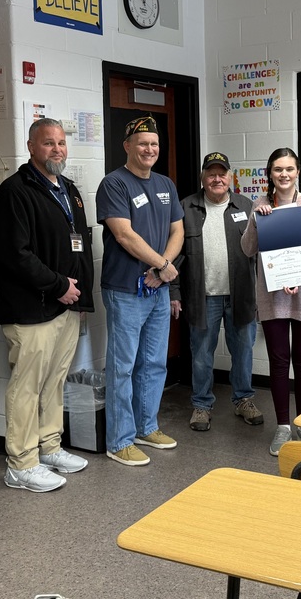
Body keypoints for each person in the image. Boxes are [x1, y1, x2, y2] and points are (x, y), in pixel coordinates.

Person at [0, 118, 94, 492]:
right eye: (48, 143)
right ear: (31, 146)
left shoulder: (70, 190)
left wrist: (82, 298)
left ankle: (49, 447)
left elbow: (80, 243)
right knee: (27, 385)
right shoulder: (14, 192)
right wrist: (59, 285)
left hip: (66, 305)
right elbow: (15, 255)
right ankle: (20, 463)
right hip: (31, 308)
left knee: (54, 382)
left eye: (62, 143)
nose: (57, 150)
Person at [95, 116, 183, 467]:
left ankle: (147, 427)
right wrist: (164, 266)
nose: (150, 150)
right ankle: (119, 441)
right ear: (127, 145)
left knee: (153, 363)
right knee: (122, 367)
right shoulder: (114, 184)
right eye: (143, 143)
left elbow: (177, 231)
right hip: (125, 290)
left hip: (157, 290)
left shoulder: (165, 184)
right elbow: (124, 235)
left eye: (155, 145)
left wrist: (162, 271)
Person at [240, 148, 301, 456]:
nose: (284, 174)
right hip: (272, 295)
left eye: (290, 168)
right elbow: (248, 249)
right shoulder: (260, 205)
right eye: (278, 169)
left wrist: (298, 277)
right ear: (270, 173)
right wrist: (255, 220)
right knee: (279, 362)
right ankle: (282, 426)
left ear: (298, 172)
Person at [172, 152, 261, 432]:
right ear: (203, 177)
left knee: (243, 352)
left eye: (222, 173)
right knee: (201, 354)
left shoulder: (246, 206)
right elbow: (175, 254)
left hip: (242, 296)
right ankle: (201, 405)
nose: (217, 178)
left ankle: (243, 399)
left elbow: (260, 253)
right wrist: (174, 291)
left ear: (230, 177)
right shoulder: (185, 208)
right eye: (211, 173)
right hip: (202, 297)